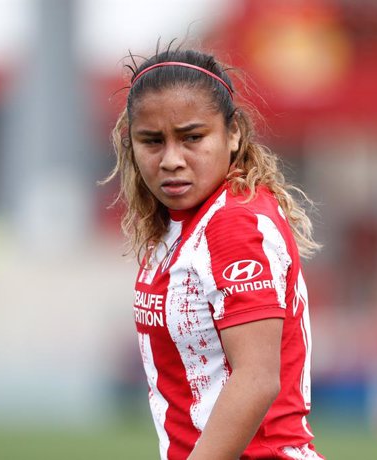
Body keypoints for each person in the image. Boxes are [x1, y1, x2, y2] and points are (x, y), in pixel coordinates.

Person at [102, 47, 323, 460]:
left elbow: (257, 377)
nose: (171, 160)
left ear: (233, 132)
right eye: (152, 141)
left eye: (192, 138)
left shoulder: (232, 223)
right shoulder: (182, 224)